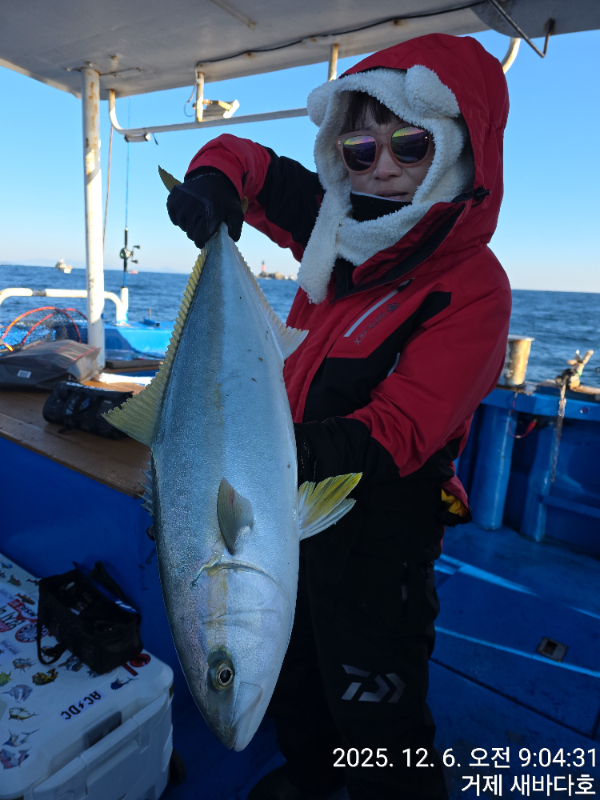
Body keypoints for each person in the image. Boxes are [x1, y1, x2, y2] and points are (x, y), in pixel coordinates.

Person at [167, 32, 511, 800]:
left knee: (374, 696)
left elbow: (405, 427)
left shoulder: (473, 286)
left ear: (456, 148)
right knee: (293, 663)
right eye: (359, 150)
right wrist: (212, 181)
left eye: (410, 145)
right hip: (287, 503)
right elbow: (250, 165)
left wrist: (276, 452)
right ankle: (313, 772)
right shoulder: (338, 224)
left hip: (380, 527)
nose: (381, 167)